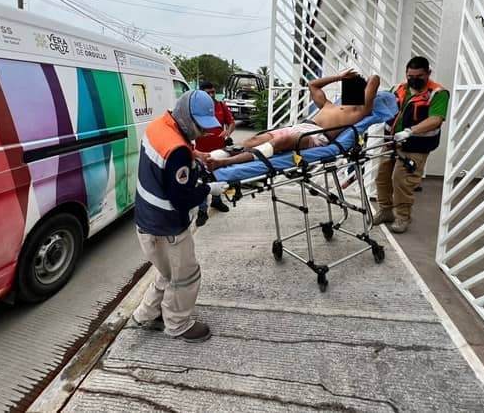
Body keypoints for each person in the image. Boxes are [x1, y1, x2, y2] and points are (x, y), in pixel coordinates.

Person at [131, 90, 228, 343]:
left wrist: (194, 154)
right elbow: (181, 199)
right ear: (186, 117)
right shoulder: (177, 151)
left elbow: (166, 157)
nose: (203, 132)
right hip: (167, 227)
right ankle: (178, 324)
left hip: (146, 222)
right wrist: (209, 189)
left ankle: (145, 314)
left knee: (167, 273)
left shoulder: (159, 126)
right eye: (199, 126)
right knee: (185, 276)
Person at [207, 70, 380, 170]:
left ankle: (224, 162)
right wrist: (340, 77)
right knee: (255, 139)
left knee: (282, 141)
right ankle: (211, 156)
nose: (348, 90)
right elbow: (312, 84)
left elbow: (375, 79)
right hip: (302, 126)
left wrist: (355, 81)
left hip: (318, 136)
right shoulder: (328, 105)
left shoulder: (360, 110)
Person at [374, 56, 449, 234]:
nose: (413, 79)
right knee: (382, 178)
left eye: (419, 76)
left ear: (428, 73)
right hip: (392, 142)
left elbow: (436, 119)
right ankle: (386, 211)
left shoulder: (437, 93)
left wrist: (410, 131)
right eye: (410, 75)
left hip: (417, 146)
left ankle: (402, 217)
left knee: (401, 181)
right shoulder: (399, 88)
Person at [193, 81, 235, 227]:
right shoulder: (196, 108)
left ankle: (217, 201)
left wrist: (228, 132)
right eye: (208, 93)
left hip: (219, 150)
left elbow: (231, 122)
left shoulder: (221, 106)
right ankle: (202, 211)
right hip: (201, 152)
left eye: (213, 92)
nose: (211, 95)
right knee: (202, 180)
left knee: (218, 176)